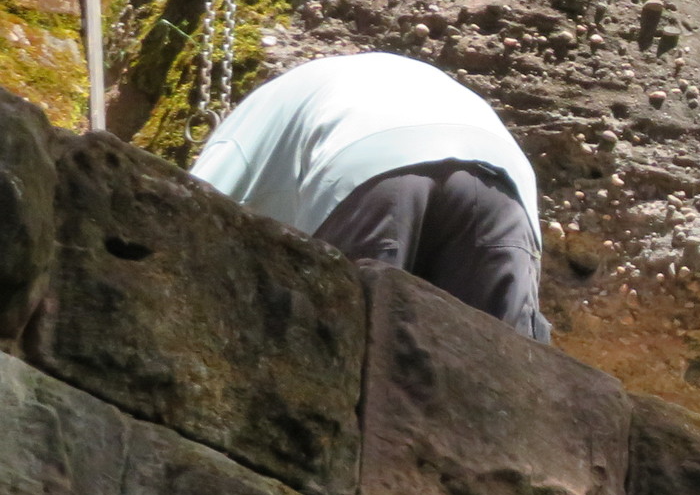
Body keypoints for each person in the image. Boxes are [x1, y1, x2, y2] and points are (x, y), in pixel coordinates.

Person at [190, 51, 549, 342]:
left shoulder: (241, 127)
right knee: (499, 373)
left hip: (368, 151)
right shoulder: (307, 92)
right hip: (503, 172)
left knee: (357, 356)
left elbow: (191, 215)